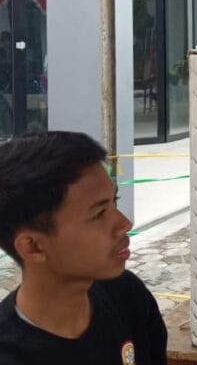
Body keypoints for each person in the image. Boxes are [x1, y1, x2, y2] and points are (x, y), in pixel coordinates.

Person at [0, 131, 167, 364]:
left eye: (114, 203)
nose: (124, 224)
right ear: (33, 247)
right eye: (99, 214)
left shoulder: (126, 295)